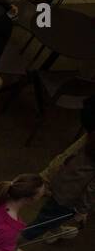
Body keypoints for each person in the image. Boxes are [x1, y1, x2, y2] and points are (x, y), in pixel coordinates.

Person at [24, 96, 95, 242]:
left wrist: (47, 176)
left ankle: (55, 228)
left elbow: (65, 156)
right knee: (42, 223)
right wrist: (82, 210)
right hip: (70, 196)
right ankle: (10, 246)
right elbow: (92, 188)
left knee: (52, 214)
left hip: (60, 182)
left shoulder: (89, 136)